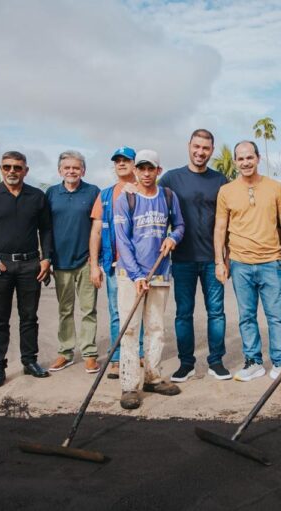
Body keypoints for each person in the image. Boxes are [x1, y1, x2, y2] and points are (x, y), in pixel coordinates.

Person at [214, 141, 281, 384]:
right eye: (240, 159)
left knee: (277, 316)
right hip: (241, 263)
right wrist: (219, 261)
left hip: (271, 262)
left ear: (258, 158)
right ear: (235, 162)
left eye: (249, 157)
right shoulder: (226, 191)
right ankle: (253, 362)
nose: (245, 162)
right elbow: (220, 227)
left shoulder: (274, 188)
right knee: (246, 316)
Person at [0, 151, 53, 388]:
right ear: (1, 169)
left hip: (30, 265)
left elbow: (46, 230)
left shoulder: (36, 196)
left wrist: (46, 259)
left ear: (25, 170)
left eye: (17, 167)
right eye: (7, 167)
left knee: (29, 317)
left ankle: (29, 361)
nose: (12, 171)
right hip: (0, 265)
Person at [114, 149, 185, 410]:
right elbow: (122, 239)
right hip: (130, 275)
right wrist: (136, 276)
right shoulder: (126, 198)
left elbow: (179, 225)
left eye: (150, 168)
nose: (146, 173)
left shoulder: (168, 196)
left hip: (159, 272)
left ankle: (153, 377)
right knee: (130, 330)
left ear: (158, 170)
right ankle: (129, 385)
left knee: (156, 327)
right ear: (135, 170)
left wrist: (172, 238)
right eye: (141, 168)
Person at [159, 129, 230, 382]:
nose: (200, 152)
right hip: (182, 259)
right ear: (189, 145)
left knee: (216, 313)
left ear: (212, 150)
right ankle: (186, 363)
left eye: (206, 148)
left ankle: (216, 361)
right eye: (196, 146)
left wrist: (226, 256)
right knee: (183, 313)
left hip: (213, 259)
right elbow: (157, 212)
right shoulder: (170, 179)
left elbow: (228, 221)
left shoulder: (221, 181)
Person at [88, 147, 143, 379]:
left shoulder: (144, 190)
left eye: (126, 160)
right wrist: (94, 265)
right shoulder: (106, 194)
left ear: (134, 164)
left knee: (138, 310)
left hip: (139, 264)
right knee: (116, 312)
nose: (121, 164)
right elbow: (97, 231)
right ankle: (118, 356)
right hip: (113, 263)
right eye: (117, 161)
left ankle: (138, 354)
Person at [46, 151, 101, 374]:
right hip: (60, 263)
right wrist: (47, 257)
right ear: (60, 170)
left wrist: (96, 259)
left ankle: (89, 354)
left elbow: (99, 227)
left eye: (76, 168)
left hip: (86, 261)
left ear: (83, 170)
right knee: (65, 310)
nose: (71, 171)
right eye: (67, 168)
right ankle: (66, 352)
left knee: (89, 310)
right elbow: (45, 229)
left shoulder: (93, 192)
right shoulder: (51, 193)